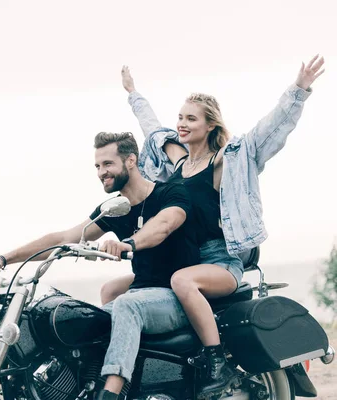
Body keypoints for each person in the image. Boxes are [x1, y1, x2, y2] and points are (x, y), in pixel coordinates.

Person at [100, 55, 325, 397]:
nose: (182, 123)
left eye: (191, 118)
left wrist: (298, 90)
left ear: (210, 126)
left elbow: (268, 133)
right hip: (184, 260)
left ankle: (215, 360)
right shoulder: (177, 166)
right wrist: (134, 95)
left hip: (220, 261)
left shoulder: (225, 162)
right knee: (114, 290)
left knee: (181, 280)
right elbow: (152, 130)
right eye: (180, 117)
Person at [0, 132, 199, 400]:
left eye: (107, 164)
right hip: (143, 295)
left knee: (127, 305)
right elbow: (64, 238)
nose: (101, 172)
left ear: (130, 161)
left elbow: (163, 225)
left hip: (177, 296)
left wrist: (129, 243)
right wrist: (5, 259)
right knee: (90, 321)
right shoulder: (115, 208)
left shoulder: (170, 193)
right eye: (97, 166)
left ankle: (111, 394)